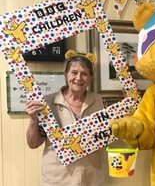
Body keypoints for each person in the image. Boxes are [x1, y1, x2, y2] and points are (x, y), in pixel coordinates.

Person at [25, 53, 105, 186]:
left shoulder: (100, 102)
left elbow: (108, 135)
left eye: (84, 74)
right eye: (74, 72)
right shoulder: (47, 103)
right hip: (57, 179)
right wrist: (33, 120)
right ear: (66, 75)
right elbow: (33, 144)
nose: (79, 78)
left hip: (91, 179)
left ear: (90, 78)